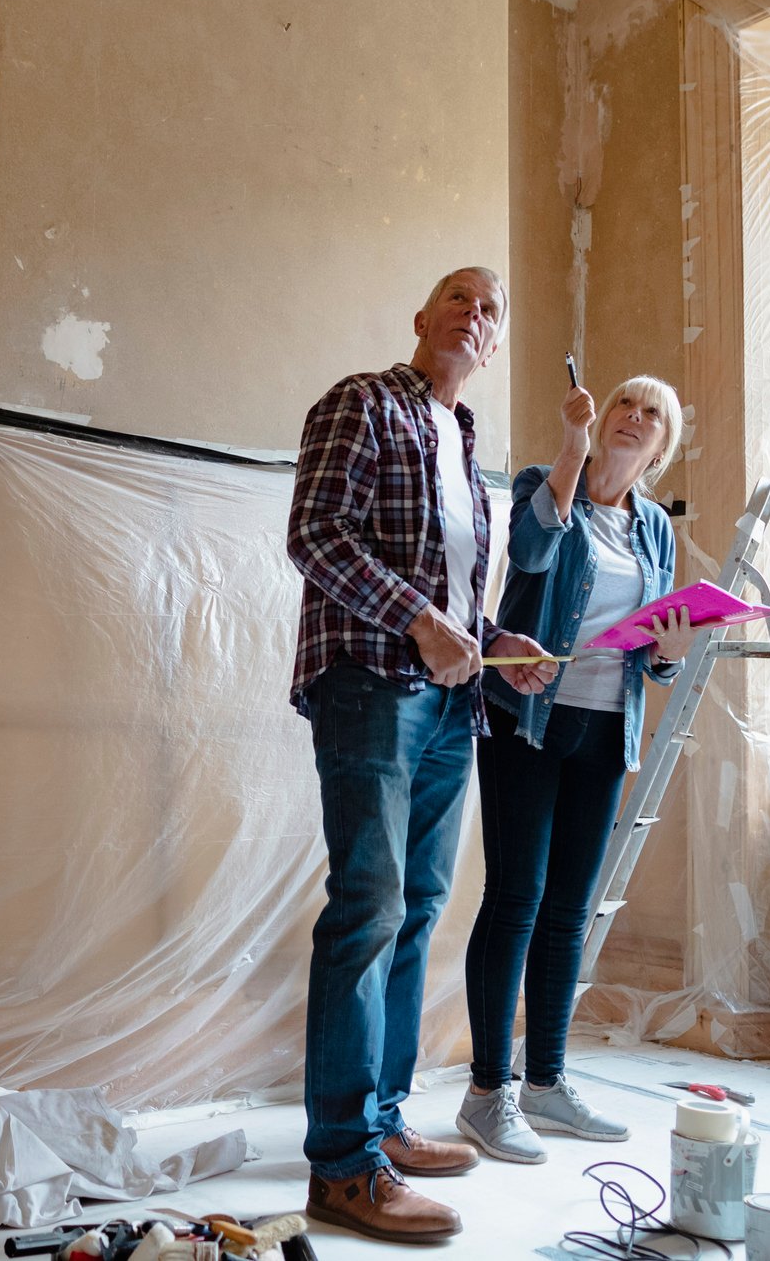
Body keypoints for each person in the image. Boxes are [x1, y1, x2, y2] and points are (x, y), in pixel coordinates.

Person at [285, 266, 556, 1243]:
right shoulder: (364, 401)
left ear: (494, 344)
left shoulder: (466, 445)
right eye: (457, 297)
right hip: (368, 683)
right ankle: (340, 1165)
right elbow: (315, 535)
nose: (473, 314)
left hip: (450, 702)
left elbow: (450, 593)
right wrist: (420, 620)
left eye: (490, 310)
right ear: (421, 318)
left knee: (417, 908)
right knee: (368, 906)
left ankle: (383, 1123)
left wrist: (494, 638)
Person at [454, 375, 695, 1164]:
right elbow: (528, 553)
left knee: (567, 913)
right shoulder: (544, 483)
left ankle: (546, 1082)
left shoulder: (653, 527)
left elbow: (651, 653)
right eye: (625, 402)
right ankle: (486, 1093)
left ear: (661, 446)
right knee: (515, 901)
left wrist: (669, 654)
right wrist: (571, 448)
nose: (634, 417)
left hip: (604, 728)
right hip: (525, 719)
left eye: (651, 414)